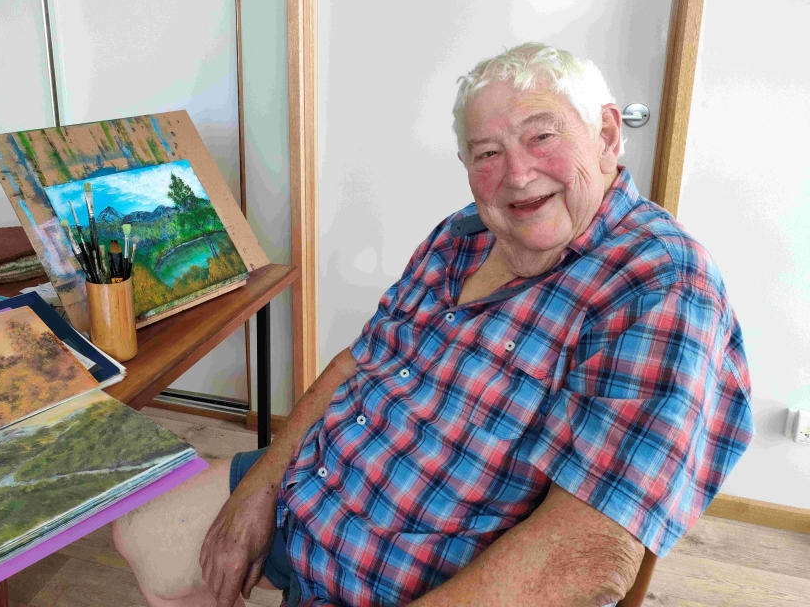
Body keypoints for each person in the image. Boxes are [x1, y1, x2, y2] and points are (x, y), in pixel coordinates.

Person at [113, 43, 754, 607]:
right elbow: (356, 365)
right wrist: (260, 485)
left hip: (409, 582)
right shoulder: (462, 237)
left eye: (543, 136)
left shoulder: (659, 282)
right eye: (487, 152)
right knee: (139, 534)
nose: (518, 173)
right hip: (318, 496)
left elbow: (584, 559)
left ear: (608, 135)